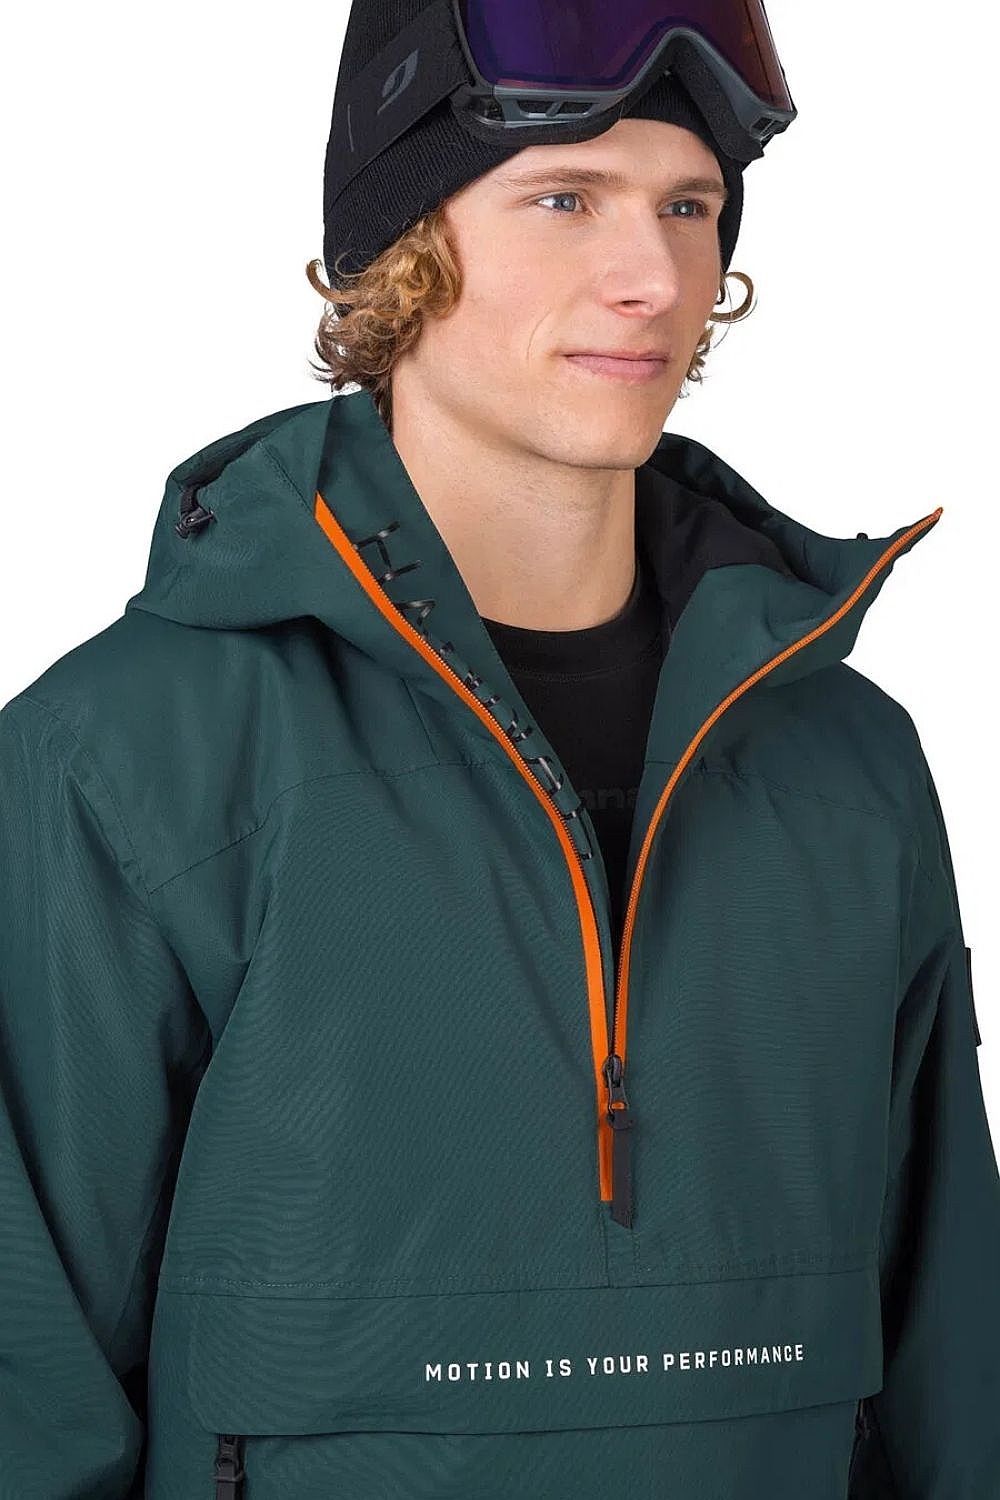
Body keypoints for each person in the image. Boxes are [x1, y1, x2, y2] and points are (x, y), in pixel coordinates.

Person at [1, 3, 997, 1496]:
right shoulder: (124, 757)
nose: (652, 276)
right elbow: (28, 1388)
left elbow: (952, 1355)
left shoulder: (848, 759)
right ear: (402, 253)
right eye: (565, 199)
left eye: (689, 207)